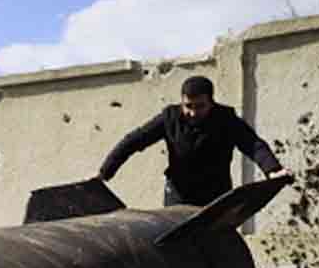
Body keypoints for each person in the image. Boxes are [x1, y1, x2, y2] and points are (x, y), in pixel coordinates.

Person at [99, 75, 287, 206]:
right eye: (188, 106)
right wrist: (105, 173)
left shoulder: (226, 119)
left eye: (200, 106)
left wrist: (273, 170)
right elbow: (133, 141)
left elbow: (252, 144)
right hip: (178, 195)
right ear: (182, 101)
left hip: (216, 195)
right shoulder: (169, 118)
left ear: (211, 103)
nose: (193, 113)